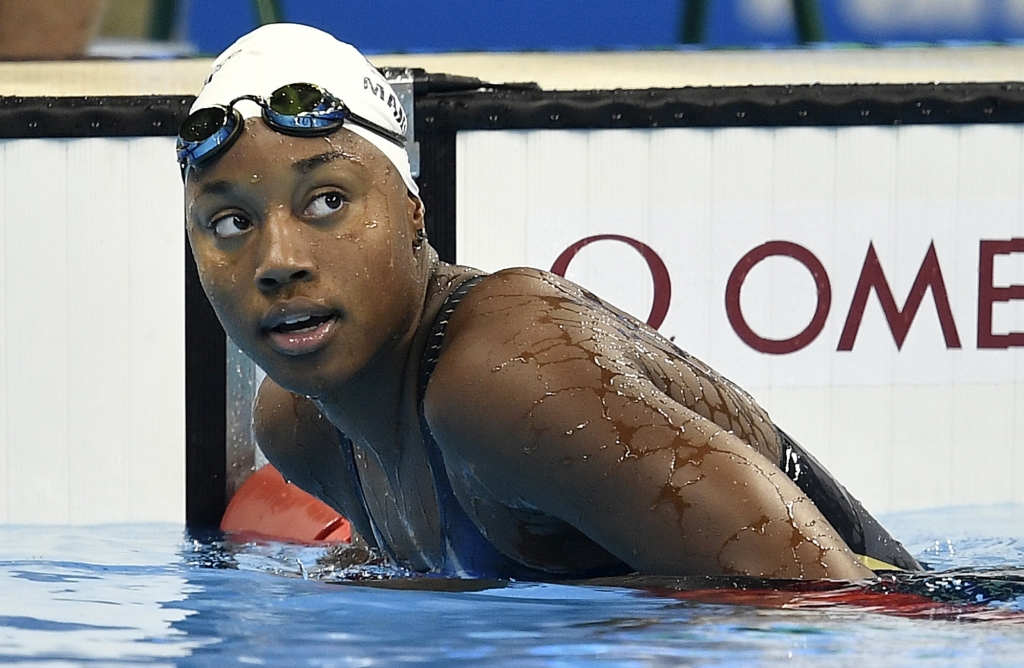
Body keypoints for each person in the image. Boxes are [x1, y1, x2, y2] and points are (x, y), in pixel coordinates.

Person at [181, 23, 920, 580]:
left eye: (326, 200)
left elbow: (833, 612)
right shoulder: (299, 426)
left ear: (413, 209)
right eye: (230, 223)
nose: (277, 262)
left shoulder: (504, 376)